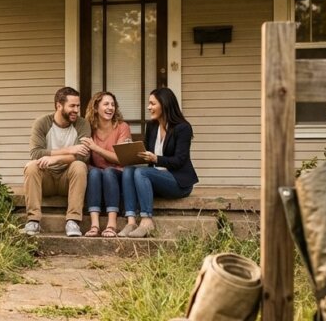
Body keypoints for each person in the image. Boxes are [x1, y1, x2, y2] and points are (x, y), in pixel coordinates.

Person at [120, 87, 199, 238]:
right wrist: (131, 148)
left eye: (152, 103)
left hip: (178, 181)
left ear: (164, 104)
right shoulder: (152, 126)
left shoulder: (183, 128)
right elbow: (146, 153)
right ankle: (130, 221)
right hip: (156, 178)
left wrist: (156, 159)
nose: (149, 107)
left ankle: (147, 220)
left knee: (141, 172)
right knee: (129, 170)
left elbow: (179, 160)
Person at [23, 87, 90, 237]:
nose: (76, 110)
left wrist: (55, 158)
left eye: (78, 106)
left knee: (80, 166)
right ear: (59, 105)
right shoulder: (42, 123)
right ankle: (33, 220)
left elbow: (83, 156)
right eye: (72, 106)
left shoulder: (82, 124)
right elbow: (36, 153)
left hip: (68, 179)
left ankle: (73, 221)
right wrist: (70, 149)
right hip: (46, 180)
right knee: (31, 166)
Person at [79, 91, 132, 237]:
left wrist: (96, 148)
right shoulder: (89, 129)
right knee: (95, 172)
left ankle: (112, 224)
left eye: (113, 104)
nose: (110, 108)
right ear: (95, 107)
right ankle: (94, 224)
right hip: (98, 174)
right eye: (106, 104)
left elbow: (121, 159)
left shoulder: (122, 127)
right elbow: (85, 158)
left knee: (108, 171)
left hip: (118, 174)